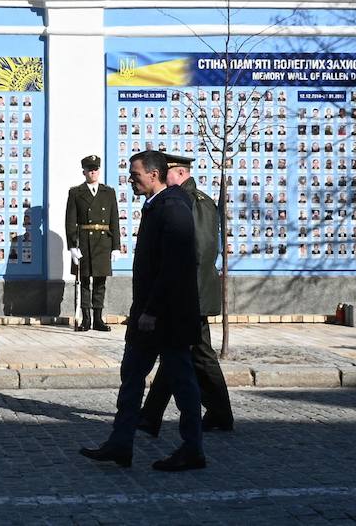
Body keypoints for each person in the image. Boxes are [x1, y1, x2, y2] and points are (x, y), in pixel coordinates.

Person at [80, 149, 205, 472]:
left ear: (153, 174)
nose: (130, 179)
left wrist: (151, 310)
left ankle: (193, 449)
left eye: (135, 174)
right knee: (132, 376)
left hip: (167, 315)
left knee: (182, 381)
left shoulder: (174, 207)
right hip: (149, 314)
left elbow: (173, 267)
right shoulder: (157, 205)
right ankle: (121, 443)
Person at [139, 152, 235, 435]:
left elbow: (200, 250)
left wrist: (181, 294)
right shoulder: (188, 199)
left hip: (191, 295)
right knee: (178, 353)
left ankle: (219, 414)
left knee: (199, 355)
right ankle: (151, 415)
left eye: (165, 172)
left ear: (178, 173)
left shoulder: (193, 201)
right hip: (187, 294)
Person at [65, 154, 119, 331]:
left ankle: (98, 319)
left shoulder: (108, 192)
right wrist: (72, 246)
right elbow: (70, 220)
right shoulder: (76, 192)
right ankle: (86, 319)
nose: (93, 172)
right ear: (84, 172)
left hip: (103, 242)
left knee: (100, 282)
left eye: (95, 169)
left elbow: (114, 221)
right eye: (89, 170)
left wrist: (116, 246)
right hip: (84, 241)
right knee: (85, 281)